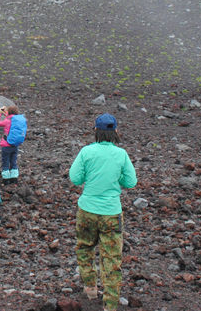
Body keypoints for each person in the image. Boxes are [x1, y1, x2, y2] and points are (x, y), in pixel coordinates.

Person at [69, 113, 137, 311]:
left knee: (84, 248)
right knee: (112, 258)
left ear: (95, 131)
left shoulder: (86, 152)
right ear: (115, 131)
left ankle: (90, 287)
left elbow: (75, 178)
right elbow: (131, 182)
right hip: (111, 213)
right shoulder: (121, 154)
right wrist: (116, 180)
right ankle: (110, 303)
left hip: (87, 209)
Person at [0, 105, 22, 186]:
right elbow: (11, 117)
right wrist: (6, 113)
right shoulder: (18, 120)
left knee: (5, 161)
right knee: (13, 161)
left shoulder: (7, 121)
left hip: (6, 145)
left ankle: (6, 179)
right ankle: (14, 178)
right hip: (15, 144)